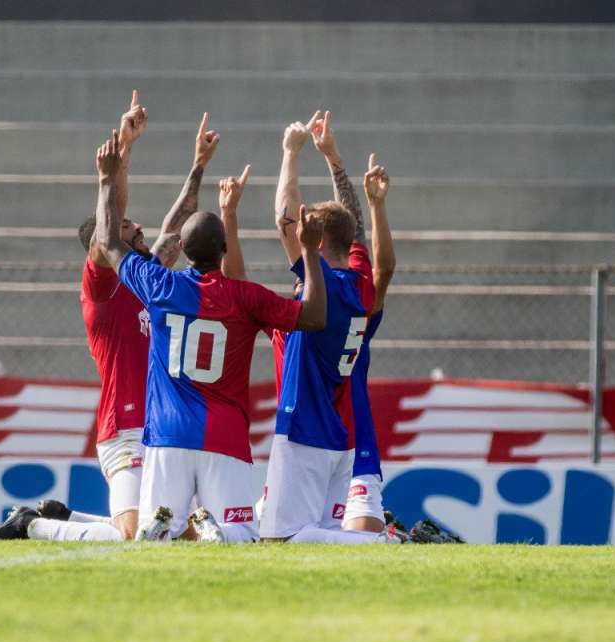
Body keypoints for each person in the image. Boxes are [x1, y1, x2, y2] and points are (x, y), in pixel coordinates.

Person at [0, 94, 220, 542]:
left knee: (176, 535)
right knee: (137, 537)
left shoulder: (145, 277)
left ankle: (64, 516)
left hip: (161, 425)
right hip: (125, 424)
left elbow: (178, 224)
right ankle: (33, 525)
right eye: (128, 224)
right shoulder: (102, 285)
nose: (137, 228)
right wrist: (122, 157)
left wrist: (198, 164)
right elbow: (109, 225)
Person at [93, 128, 328, 543]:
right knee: (240, 539)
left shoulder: (161, 286)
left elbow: (110, 242)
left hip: (166, 436)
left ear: (182, 250)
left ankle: (182, 528)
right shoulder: (246, 297)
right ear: (224, 249)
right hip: (224, 436)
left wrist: (107, 180)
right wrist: (309, 252)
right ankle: (207, 527)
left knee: (154, 542)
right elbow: (313, 317)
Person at [259, 112, 403, 544]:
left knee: (281, 538)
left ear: (317, 244)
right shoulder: (362, 286)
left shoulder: (316, 284)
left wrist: (291, 153)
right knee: (319, 534)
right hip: (341, 429)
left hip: (306, 423)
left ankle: (386, 542)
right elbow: (378, 258)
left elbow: (285, 219)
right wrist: (340, 167)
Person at [307, 112, 397, 534]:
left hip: (352, 444)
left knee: (358, 535)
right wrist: (336, 163)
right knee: (283, 537)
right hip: (306, 441)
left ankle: (394, 538)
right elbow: (359, 238)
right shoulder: (313, 298)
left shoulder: (345, 296)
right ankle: (398, 537)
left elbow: (371, 257)